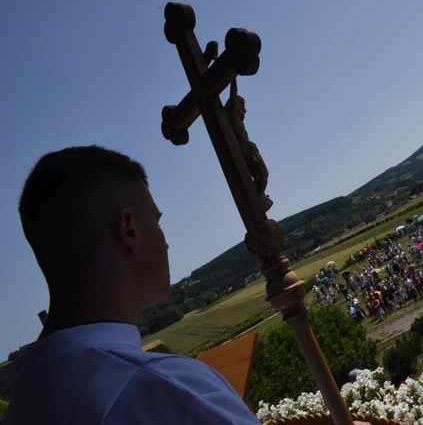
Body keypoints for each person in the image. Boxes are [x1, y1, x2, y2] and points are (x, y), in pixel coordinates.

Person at [6, 146, 261, 424]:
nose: (165, 242)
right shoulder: (173, 393)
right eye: (156, 220)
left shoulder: (25, 396)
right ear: (128, 229)